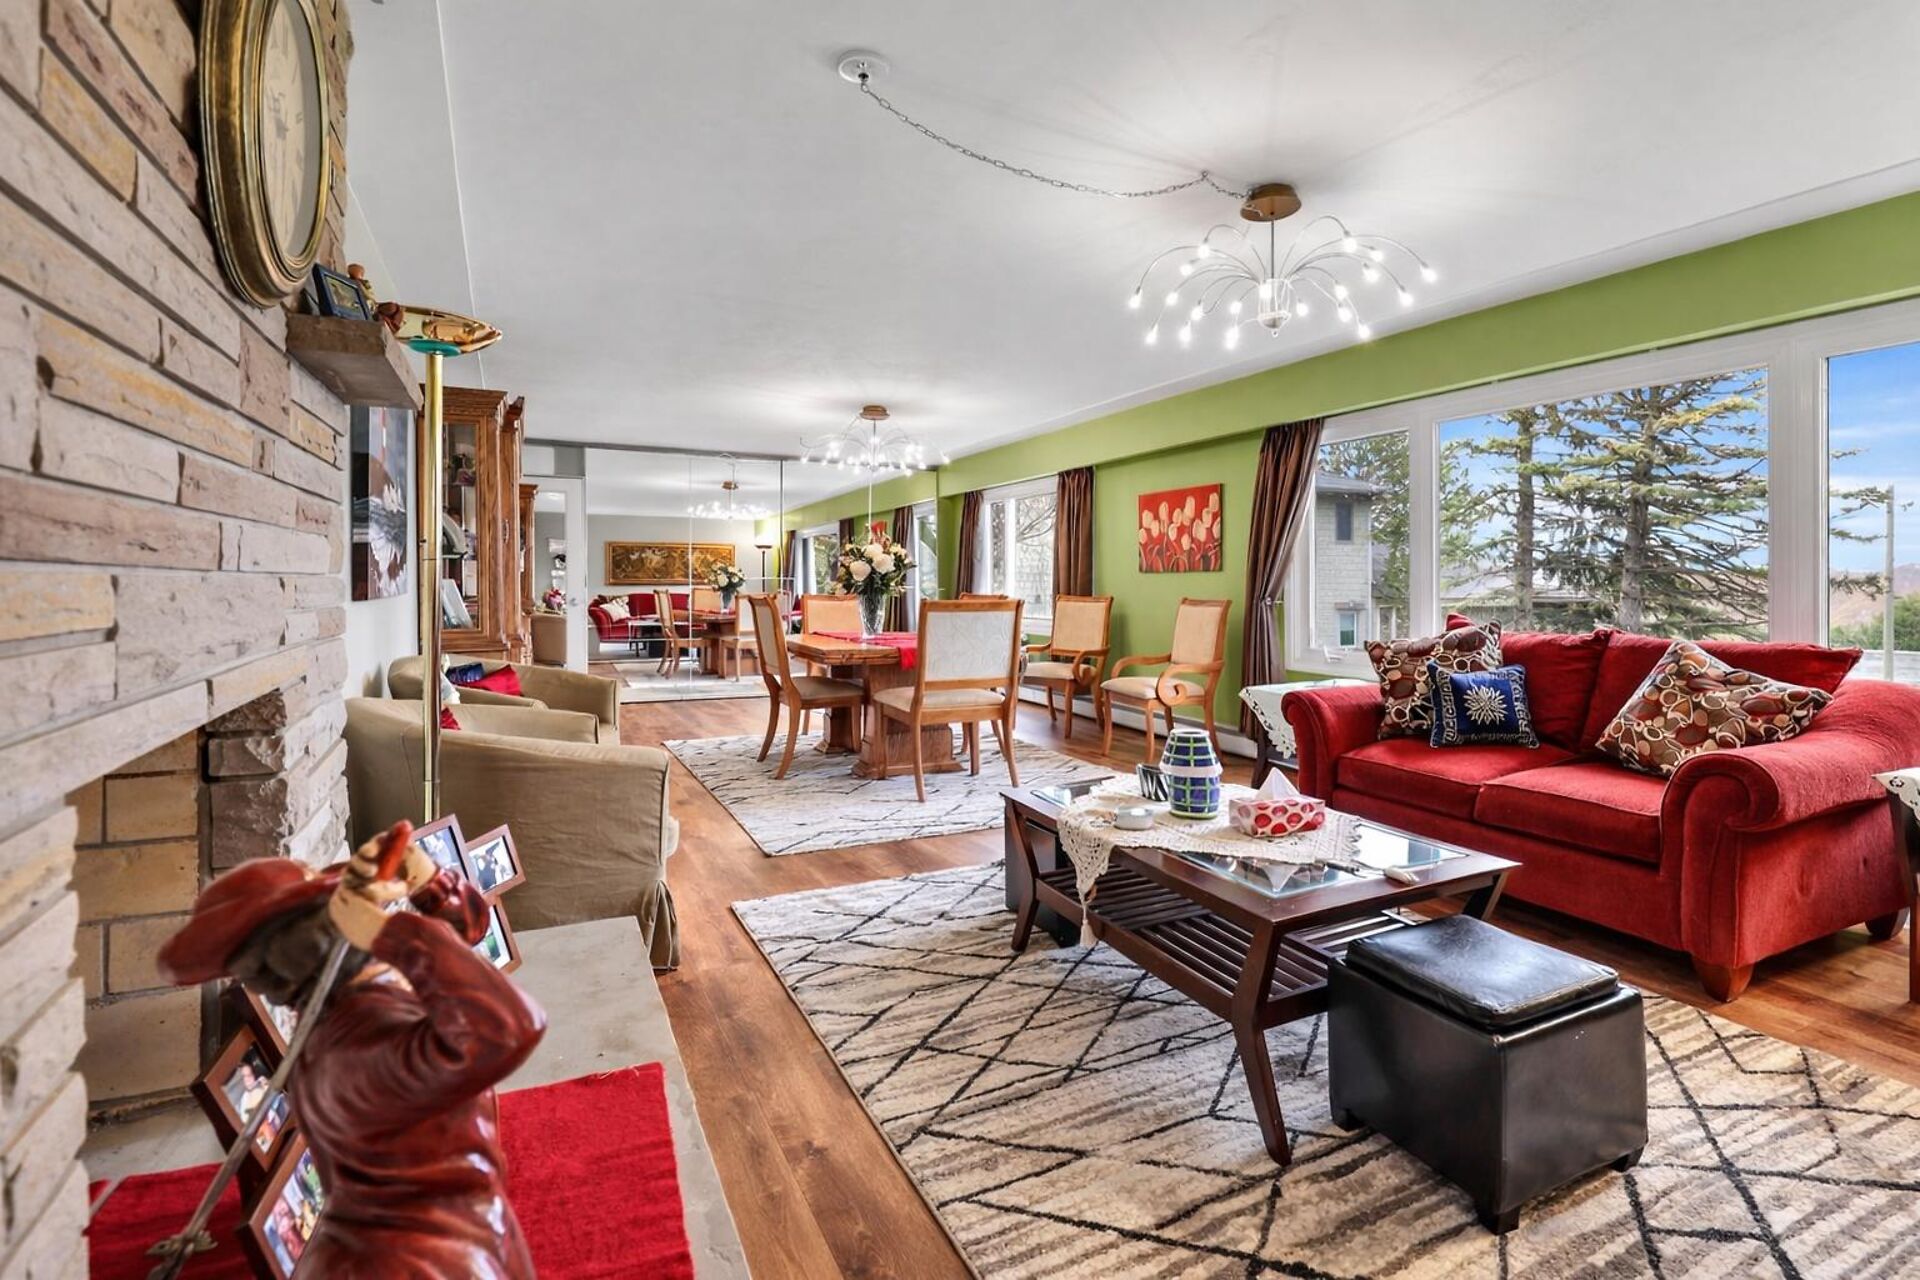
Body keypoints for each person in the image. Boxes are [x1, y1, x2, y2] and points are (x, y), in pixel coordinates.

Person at [159, 823, 548, 1278]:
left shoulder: (358, 997)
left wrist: (427, 880)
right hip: (426, 1262)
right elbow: (510, 1027)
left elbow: (465, 939)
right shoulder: (357, 1041)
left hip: (454, 1234)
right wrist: (391, 933)